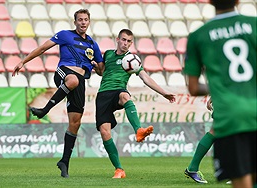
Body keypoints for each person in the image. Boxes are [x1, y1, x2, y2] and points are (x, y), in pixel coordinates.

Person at [12, 9, 104, 178]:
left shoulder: (93, 44)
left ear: (89, 22)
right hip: (64, 72)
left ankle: (64, 162)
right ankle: (44, 110)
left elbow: (101, 70)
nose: (83, 22)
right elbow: (42, 49)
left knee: (75, 123)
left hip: (80, 82)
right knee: (73, 80)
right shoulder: (64, 35)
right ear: (74, 22)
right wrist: (23, 61)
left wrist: (97, 65)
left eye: (86, 20)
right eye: (80, 20)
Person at [184, 0, 256, 187]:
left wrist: (219, 89)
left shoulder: (199, 36)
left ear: (210, 1)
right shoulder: (254, 24)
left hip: (230, 114)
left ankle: (192, 167)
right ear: (238, 1)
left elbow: (192, 87)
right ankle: (192, 168)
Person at [93, 29, 176, 178]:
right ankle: (119, 169)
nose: (125, 43)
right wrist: (95, 67)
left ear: (131, 43)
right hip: (103, 94)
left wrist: (164, 93)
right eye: (123, 40)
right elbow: (103, 72)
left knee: (125, 96)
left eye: (128, 41)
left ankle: (139, 130)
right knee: (105, 133)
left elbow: (146, 78)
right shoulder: (108, 54)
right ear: (117, 39)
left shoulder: (133, 60)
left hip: (118, 91)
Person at [184, 97, 215, 184]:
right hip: (230, 101)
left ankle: (237, 172)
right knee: (215, 131)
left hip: (236, 99)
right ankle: (192, 168)